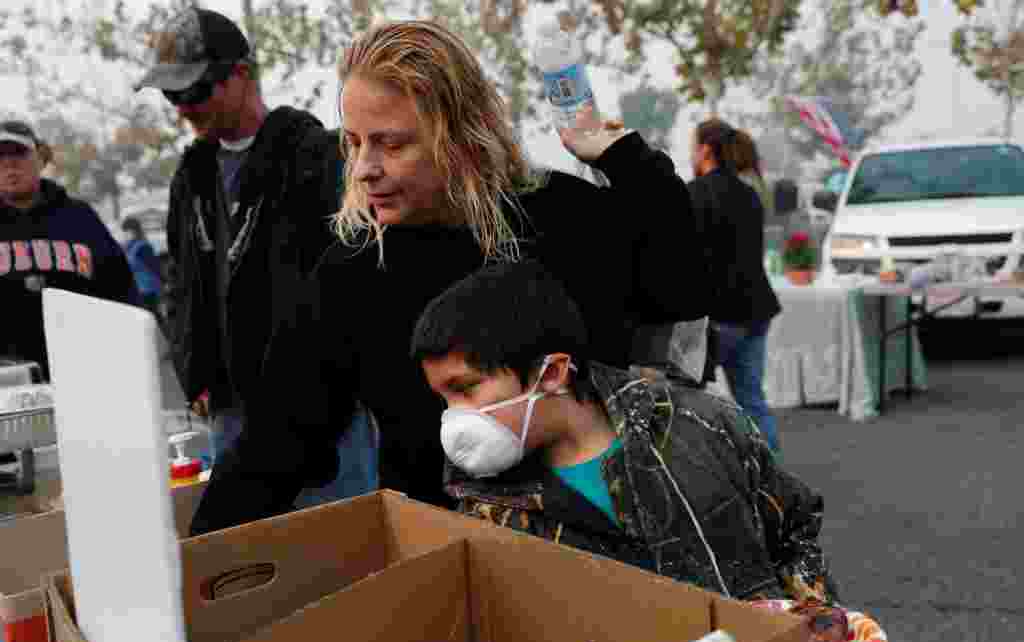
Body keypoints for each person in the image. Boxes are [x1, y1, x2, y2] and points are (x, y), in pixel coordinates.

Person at [250, 19, 709, 521]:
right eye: (355, 142)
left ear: (462, 133)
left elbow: (679, 291)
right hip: (441, 554)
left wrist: (626, 160)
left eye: (393, 144)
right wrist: (196, 568)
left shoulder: (561, 218)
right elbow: (278, 444)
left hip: (606, 547)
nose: (363, 168)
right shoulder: (352, 270)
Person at [410, 259, 837, 606]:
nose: (454, 420)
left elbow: (794, 527)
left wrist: (812, 616)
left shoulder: (703, 426)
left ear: (553, 372)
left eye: (465, 389)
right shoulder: (484, 505)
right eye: (444, 399)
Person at [133, 7, 378, 534]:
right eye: (172, 96)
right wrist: (193, 367)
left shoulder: (313, 155)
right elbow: (180, 280)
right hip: (231, 409)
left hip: (320, 409)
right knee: (252, 553)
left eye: (195, 90)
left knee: (343, 545)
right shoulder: (191, 174)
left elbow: (348, 276)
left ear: (241, 73)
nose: (184, 108)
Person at [0, 119, 141, 379]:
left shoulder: (79, 217)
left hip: (84, 368)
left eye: (18, 153)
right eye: (0, 157)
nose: (9, 164)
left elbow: (120, 288)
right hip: (7, 378)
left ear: (41, 158)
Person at [689, 118, 782, 454]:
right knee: (752, 399)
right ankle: (773, 480)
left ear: (705, 150)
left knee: (688, 401)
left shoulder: (695, 194)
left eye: (694, 146)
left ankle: (704, 478)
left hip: (720, 316)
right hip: (757, 310)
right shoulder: (749, 193)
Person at [122, 216, 164, 321]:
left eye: (128, 232)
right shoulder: (128, 248)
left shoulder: (143, 247)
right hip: (137, 290)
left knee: (150, 318)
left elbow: (155, 267)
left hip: (148, 290)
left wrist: (164, 282)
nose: (126, 235)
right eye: (125, 232)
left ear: (136, 231)